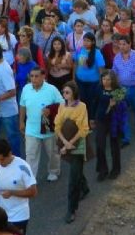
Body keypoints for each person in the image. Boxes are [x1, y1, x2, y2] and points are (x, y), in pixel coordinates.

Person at [19, 67, 64, 181]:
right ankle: (31, 177)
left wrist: (51, 110)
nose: (33, 79)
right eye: (32, 76)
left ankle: (54, 171)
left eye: (36, 76)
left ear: (43, 76)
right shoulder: (26, 88)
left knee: (53, 153)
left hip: (49, 129)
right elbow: (23, 106)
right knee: (30, 155)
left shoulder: (52, 89)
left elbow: (62, 104)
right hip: (31, 129)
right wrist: (21, 122)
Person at [54, 81, 90, 223]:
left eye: (67, 92)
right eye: (63, 92)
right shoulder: (62, 106)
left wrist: (70, 143)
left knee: (72, 180)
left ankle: (71, 210)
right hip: (65, 143)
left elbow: (84, 129)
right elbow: (57, 126)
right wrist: (64, 142)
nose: (64, 95)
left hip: (77, 145)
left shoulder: (82, 107)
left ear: (74, 93)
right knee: (76, 170)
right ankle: (85, 187)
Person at [0, 139, 37, 234]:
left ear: (10, 153)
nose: (0, 162)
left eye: (2, 159)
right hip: (0, 216)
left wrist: (12, 193)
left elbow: (33, 192)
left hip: (19, 215)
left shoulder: (22, 167)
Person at [94, 71, 126, 181]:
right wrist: (92, 119)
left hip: (113, 121)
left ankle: (116, 170)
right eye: (104, 79)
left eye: (108, 79)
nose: (105, 82)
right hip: (101, 120)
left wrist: (115, 104)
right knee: (100, 145)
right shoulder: (98, 89)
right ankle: (103, 170)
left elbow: (123, 108)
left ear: (113, 80)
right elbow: (95, 103)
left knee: (114, 147)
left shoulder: (118, 91)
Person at [72, 32, 104, 123]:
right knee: (82, 100)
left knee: (92, 101)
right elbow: (75, 64)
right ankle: (82, 118)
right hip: (80, 80)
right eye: (84, 40)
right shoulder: (79, 50)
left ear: (93, 42)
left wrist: (101, 82)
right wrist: (73, 78)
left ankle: (91, 118)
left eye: (88, 41)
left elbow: (101, 68)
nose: (85, 42)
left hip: (93, 82)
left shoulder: (97, 53)